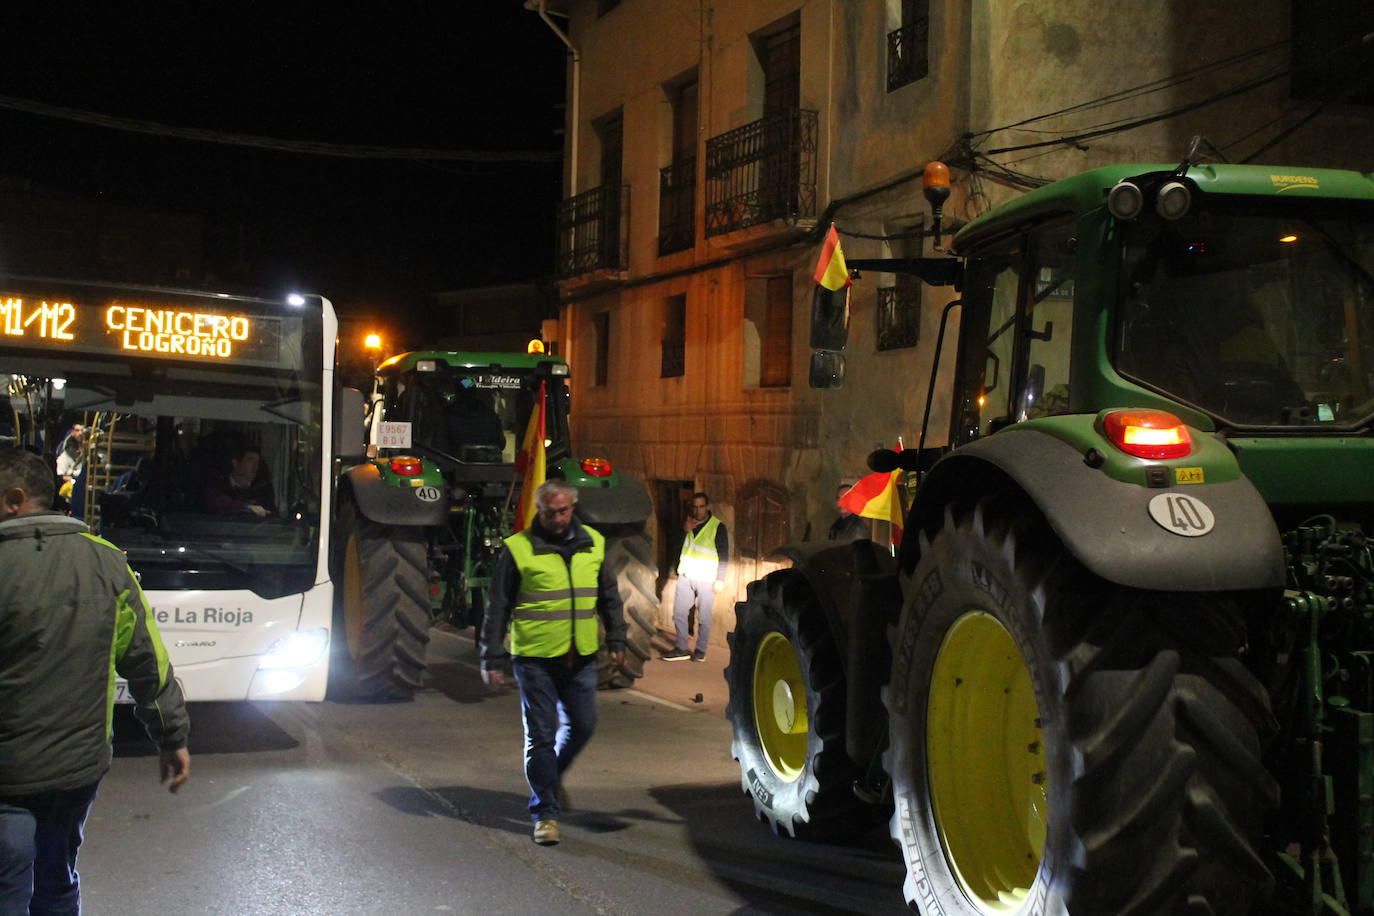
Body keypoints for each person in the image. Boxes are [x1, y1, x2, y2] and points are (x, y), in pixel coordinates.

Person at [0, 447, 190, 914]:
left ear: (15, 499)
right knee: (57, 873)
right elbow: (148, 660)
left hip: (7, 772)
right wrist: (172, 736)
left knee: (7, 881)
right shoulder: (108, 563)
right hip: (79, 767)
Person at [479, 479, 626, 847]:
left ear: (572, 508)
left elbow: (609, 596)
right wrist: (491, 655)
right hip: (534, 659)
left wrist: (619, 637)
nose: (557, 518)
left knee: (584, 725)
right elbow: (498, 606)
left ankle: (551, 777)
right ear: (538, 511)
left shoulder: (593, 543)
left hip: (581, 656)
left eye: (563, 511)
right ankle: (545, 813)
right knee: (541, 735)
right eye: (549, 512)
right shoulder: (518, 549)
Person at [663, 492, 728, 662]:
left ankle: (700, 651)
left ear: (707, 507)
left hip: (707, 578)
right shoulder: (688, 524)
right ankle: (682, 648)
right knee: (678, 613)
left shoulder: (717, 527)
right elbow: (676, 546)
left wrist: (720, 579)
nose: (698, 510)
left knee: (704, 617)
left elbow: (724, 555)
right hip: (686, 575)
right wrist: (684, 530)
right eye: (695, 506)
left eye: (701, 506)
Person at [204, 443, 276, 517]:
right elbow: (214, 503)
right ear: (236, 463)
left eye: (257, 462)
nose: (255, 466)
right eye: (250, 460)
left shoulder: (263, 489)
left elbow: (273, 515)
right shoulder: (217, 484)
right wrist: (245, 507)